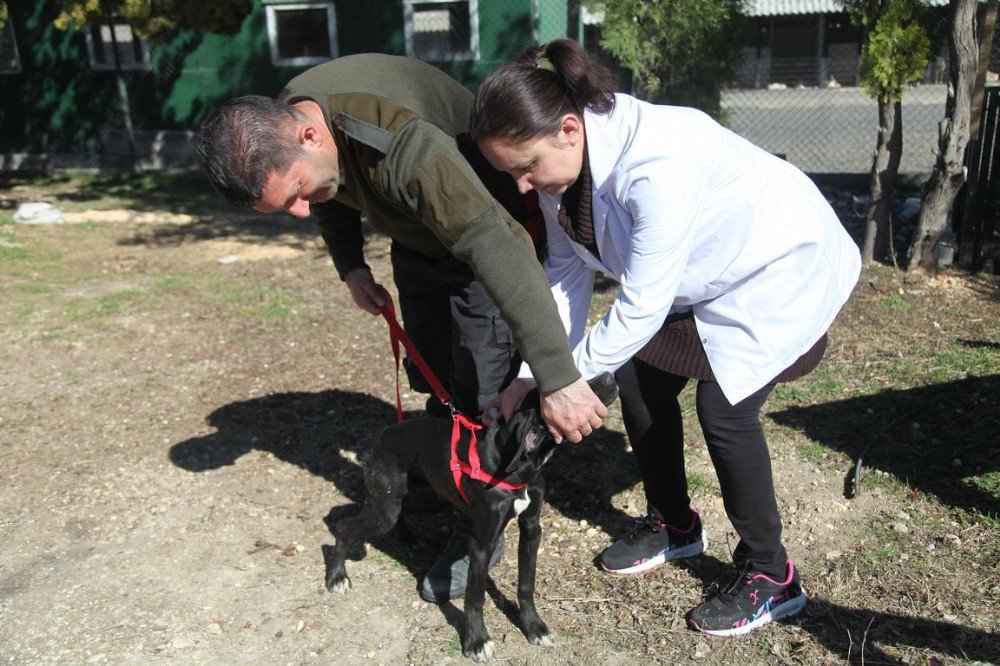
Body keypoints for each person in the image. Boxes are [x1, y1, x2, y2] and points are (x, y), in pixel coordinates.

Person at [472, 39, 861, 636]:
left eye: (525, 168)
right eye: (511, 173)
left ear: (569, 130)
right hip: (701, 272)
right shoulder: (561, 176)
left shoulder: (660, 160)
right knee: (640, 378)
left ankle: (772, 576)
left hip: (780, 263)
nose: (523, 186)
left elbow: (644, 303)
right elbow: (566, 273)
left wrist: (568, 383)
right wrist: (538, 372)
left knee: (725, 409)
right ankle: (675, 525)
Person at [195, 53, 607, 604]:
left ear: (311, 135)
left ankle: (481, 530)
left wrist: (556, 376)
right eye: (283, 207)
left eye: (294, 193)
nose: (299, 212)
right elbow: (329, 186)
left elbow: (494, 243)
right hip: (417, 237)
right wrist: (350, 264)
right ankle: (447, 480)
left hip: (482, 234)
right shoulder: (295, 119)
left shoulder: (399, 143)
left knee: (485, 390)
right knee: (436, 373)